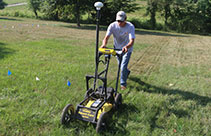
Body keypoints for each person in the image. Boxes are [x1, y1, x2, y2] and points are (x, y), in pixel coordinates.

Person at [100, 11, 135, 90]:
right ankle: (127, 72)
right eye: (118, 21)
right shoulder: (112, 26)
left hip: (127, 49)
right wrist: (104, 45)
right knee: (121, 66)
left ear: (125, 19)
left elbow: (132, 41)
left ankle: (123, 84)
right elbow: (106, 37)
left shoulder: (130, 26)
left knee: (122, 67)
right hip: (117, 48)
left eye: (121, 21)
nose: (119, 23)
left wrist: (126, 46)